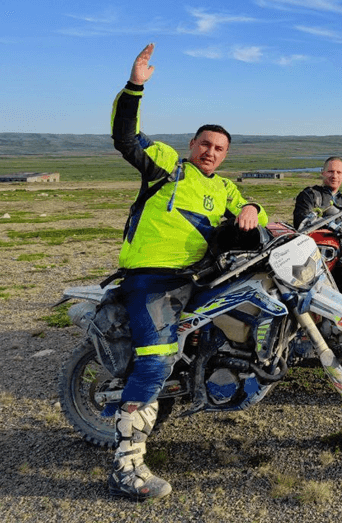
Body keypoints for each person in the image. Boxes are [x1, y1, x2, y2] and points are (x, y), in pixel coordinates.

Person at [108, 43, 268, 501]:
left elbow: (252, 212)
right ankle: (126, 463)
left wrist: (253, 208)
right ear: (192, 145)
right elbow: (125, 137)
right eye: (205, 144)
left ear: (225, 155)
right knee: (157, 357)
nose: (210, 152)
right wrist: (135, 86)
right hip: (153, 277)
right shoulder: (168, 166)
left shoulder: (226, 188)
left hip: (198, 278)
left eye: (219, 149)